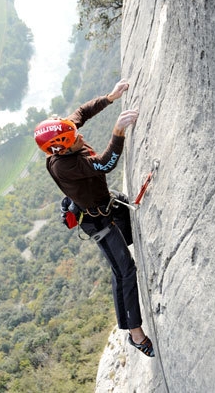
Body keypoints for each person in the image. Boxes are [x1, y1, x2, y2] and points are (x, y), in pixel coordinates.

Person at [33, 79, 155, 357]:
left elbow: (81, 113)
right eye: (74, 137)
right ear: (61, 147)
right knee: (124, 270)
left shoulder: (64, 139)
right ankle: (135, 333)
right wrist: (118, 130)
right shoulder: (66, 165)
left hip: (108, 206)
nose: (79, 136)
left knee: (134, 240)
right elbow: (106, 163)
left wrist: (109, 97)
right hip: (98, 222)